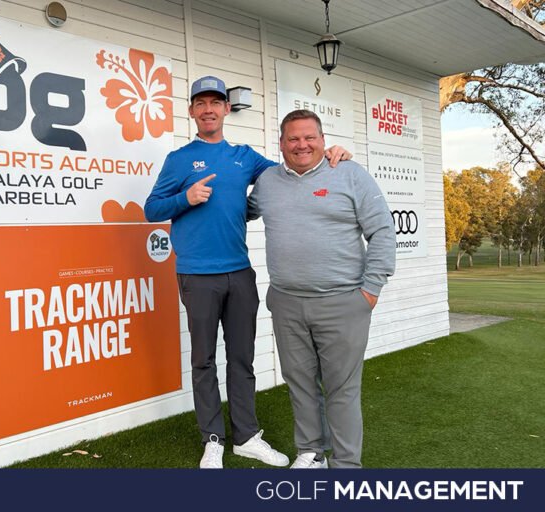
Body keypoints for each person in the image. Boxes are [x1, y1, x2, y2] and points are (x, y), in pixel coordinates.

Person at [144, 76, 351, 469]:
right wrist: (185, 198)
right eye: (200, 103)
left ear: (226, 109)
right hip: (197, 275)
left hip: (240, 274)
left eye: (215, 102)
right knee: (204, 360)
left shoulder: (245, 157)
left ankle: (246, 437)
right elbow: (152, 209)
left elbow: (294, 170)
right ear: (191, 111)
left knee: (242, 359)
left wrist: (332, 154)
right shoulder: (179, 159)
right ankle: (212, 439)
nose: (208, 109)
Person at [248, 110, 396, 469]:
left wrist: (371, 289)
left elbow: (382, 231)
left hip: (343, 302)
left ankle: (345, 465)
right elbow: (236, 212)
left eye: (309, 137)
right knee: (299, 382)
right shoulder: (267, 182)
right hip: (286, 302)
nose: (302, 145)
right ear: (281, 143)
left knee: (341, 389)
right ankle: (311, 453)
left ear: (323, 140)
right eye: (293, 138)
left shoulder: (350, 174)